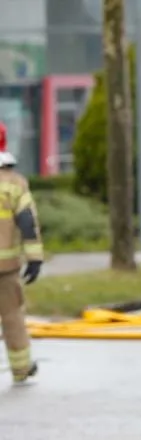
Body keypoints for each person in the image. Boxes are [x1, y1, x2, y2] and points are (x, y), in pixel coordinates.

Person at [0, 147, 43, 385]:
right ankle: (21, 367)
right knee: (12, 316)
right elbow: (27, 221)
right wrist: (35, 258)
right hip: (5, 267)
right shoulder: (15, 184)